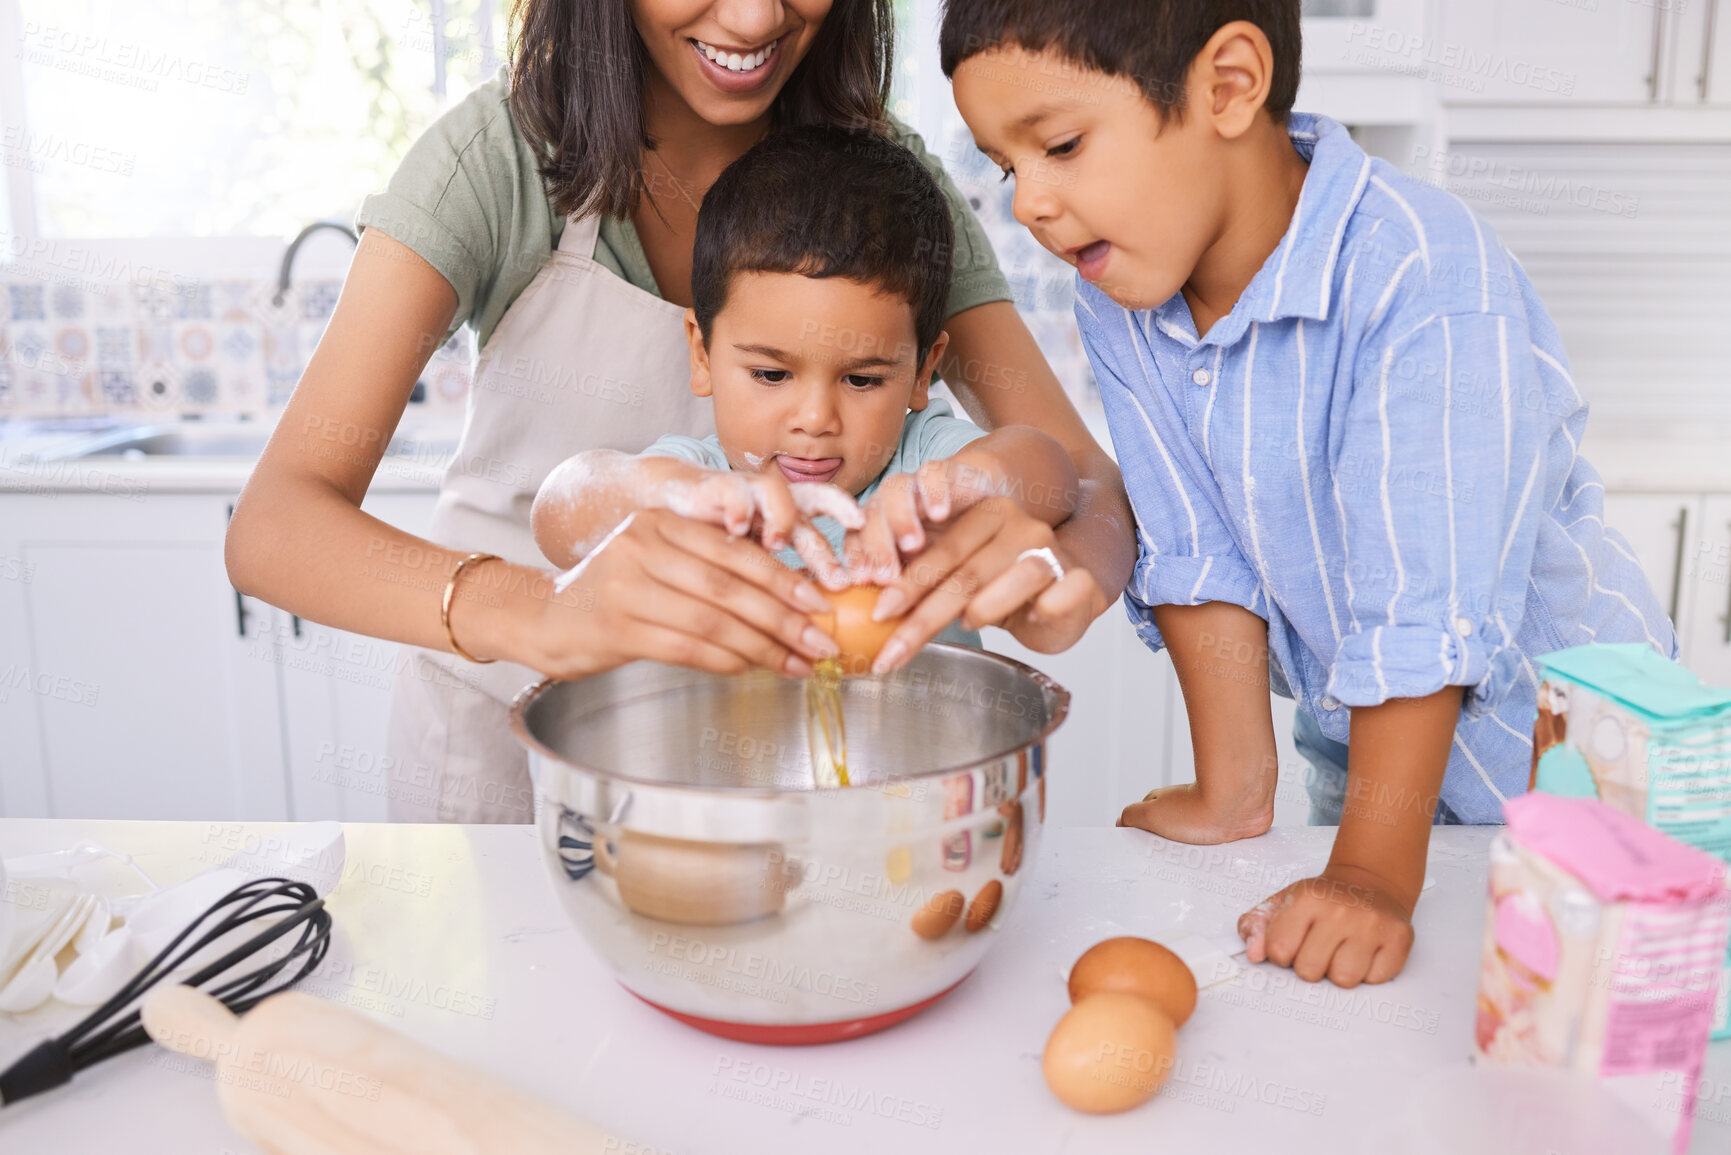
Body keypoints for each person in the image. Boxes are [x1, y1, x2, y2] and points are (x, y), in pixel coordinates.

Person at [224, 0, 1133, 823]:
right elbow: (275, 526)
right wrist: (543, 609)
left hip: (777, 790)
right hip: (502, 749)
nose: (751, 18)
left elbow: (1081, 478)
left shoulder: (882, 193)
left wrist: (1067, 578)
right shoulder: (494, 162)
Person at [941, 0, 1673, 986]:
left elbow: (1426, 602)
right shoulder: (1125, 299)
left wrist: (1371, 873)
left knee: (1582, 1058)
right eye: (1005, 165)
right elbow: (1201, 553)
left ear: (1230, 85)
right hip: (1371, 766)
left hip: (1590, 779)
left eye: (1061, 145)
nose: (1028, 202)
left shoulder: (1419, 274)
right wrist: (1236, 790)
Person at [532, 126, 1080, 656]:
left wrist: (968, 484)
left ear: (921, 372)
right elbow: (560, 512)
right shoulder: (701, 486)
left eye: (862, 379)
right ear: (702, 354)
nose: (816, 420)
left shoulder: (920, 468)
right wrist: (668, 492)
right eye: (771, 375)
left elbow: (1051, 470)